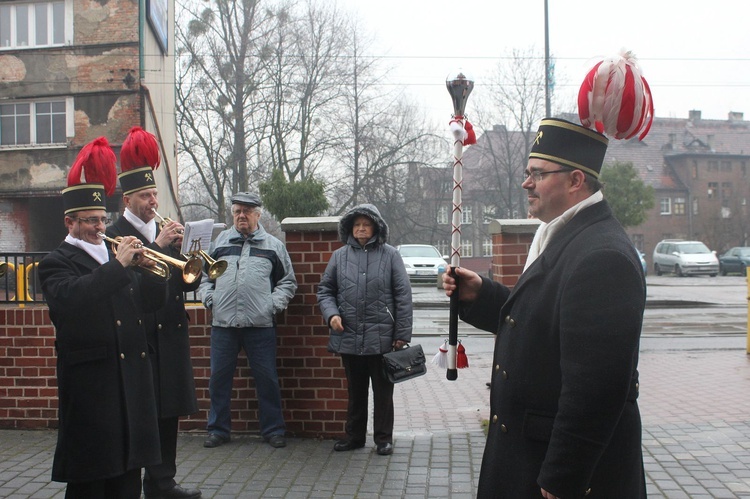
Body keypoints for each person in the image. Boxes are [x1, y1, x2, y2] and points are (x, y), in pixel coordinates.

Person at [443, 118, 647, 498]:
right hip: (529, 452)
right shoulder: (561, 234)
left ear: (575, 181)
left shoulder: (603, 256)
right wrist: (482, 294)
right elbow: (543, 325)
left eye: (537, 173)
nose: (526, 183)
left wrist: (562, 476)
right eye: (526, 173)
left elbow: (597, 388)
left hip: (559, 472)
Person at [38, 137, 166, 498]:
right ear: (70, 222)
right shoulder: (56, 262)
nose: (99, 227)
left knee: (127, 477)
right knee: (92, 480)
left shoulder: (114, 257)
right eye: (90, 221)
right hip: (93, 386)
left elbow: (146, 304)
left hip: (130, 381)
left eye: (101, 219)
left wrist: (155, 269)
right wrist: (122, 266)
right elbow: (74, 299)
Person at [107, 127, 202, 499]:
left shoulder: (165, 229)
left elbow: (182, 283)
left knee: (169, 412)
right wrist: (157, 245)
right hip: (143, 335)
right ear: (127, 199)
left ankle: (163, 482)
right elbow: (128, 283)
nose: (152, 201)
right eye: (145, 195)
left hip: (172, 332)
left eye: (154, 194)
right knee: (143, 411)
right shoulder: (115, 233)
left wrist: (188, 255)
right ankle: (136, 480)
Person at [199, 192, 297, 449]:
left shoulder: (273, 246)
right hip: (223, 325)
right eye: (237, 211)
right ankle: (218, 430)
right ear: (232, 214)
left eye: (247, 211)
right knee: (218, 380)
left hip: (260, 325)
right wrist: (211, 299)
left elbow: (287, 282)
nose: (241, 216)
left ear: (258, 214)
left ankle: (273, 430)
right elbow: (205, 279)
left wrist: (272, 305)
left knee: (267, 379)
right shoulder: (220, 243)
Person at [317, 204, 413, 456]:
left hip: (383, 338)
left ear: (376, 228)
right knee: (355, 391)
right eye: (356, 224)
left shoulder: (390, 255)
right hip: (349, 336)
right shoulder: (339, 256)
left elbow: (403, 295)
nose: (361, 228)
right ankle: (355, 437)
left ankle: (383, 439)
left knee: (383, 393)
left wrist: (402, 334)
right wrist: (331, 315)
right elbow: (325, 290)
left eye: (366, 224)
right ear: (350, 228)